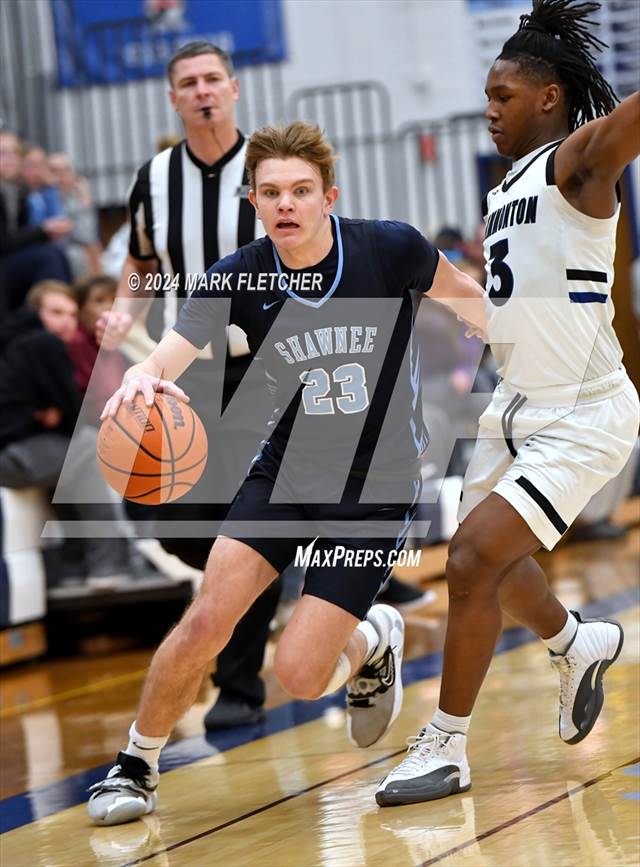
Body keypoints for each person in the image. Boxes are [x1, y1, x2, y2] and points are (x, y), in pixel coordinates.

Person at [86, 120, 485, 825]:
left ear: (329, 196)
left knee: (300, 677)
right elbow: (167, 353)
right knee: (206, 619)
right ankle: (136, 764)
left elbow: (469, 298)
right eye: (271, 192)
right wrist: (140, 378)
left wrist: (510, 345)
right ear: (254, 201)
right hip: (284, 475)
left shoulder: (389, 248)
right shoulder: (237, 276)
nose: (286, 204)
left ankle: (372, 636)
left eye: (301, 190)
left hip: (376, 489)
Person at [376, 0, 640, 807]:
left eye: (503, 96)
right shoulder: (507, 186)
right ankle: (576, 641)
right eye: (488, 96)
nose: (489, 110)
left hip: (582, 410)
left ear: (549, 97)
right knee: (498, 564)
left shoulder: (577, 163)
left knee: (468, 561)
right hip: (515, 402)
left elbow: (624, 126)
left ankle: (446, 745)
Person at [0, 281, 138, 588]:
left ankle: (75, 563)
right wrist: (53, 414)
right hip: (13, 454)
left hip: (23, 449)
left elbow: (59, 411)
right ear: (35, 312)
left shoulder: (17, 341)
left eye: (72, 315)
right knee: (86, 447)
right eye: (56, 312)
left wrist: (51, 414)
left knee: (69, 460)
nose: (66, 321)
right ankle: (109, 565)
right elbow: (74, 414)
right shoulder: (43, 343)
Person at [0, 132, 72, 311]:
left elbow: (21, 235)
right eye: (2, 153)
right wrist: (42, 231)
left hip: (9, 259)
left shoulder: (17, 191)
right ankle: (54, 311)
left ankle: (66, 309)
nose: (11, 159)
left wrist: (45, 232)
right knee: (46, 256)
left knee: (56, 253)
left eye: (15, 153)